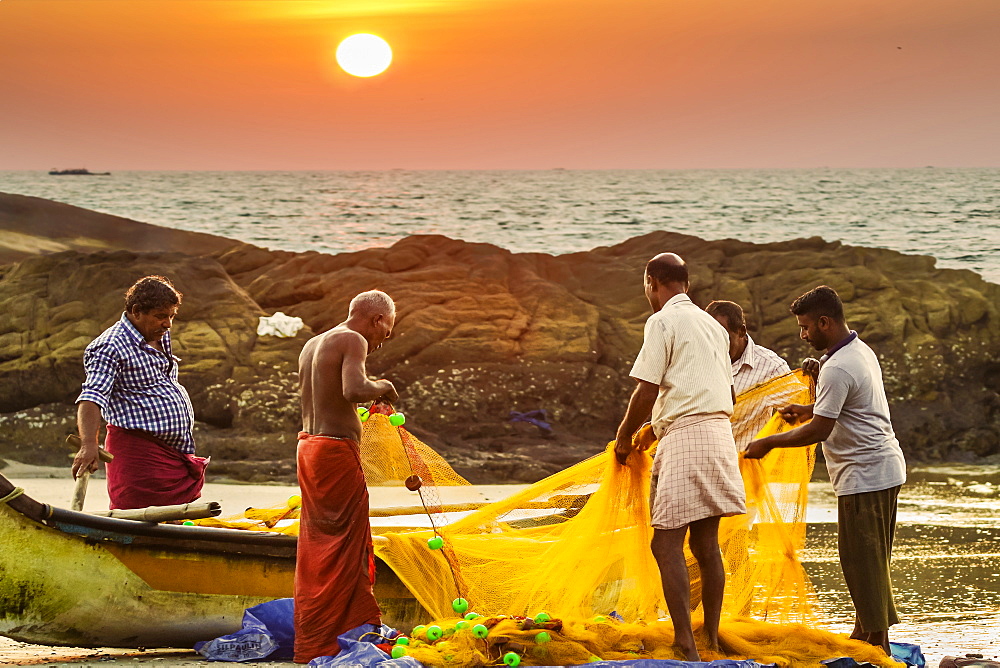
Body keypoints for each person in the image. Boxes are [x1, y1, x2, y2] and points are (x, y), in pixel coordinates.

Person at [745, 285, 905, 655]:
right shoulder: (857, 351)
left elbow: (820, 431)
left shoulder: (840, 366)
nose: (802, 335)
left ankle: (877, 646)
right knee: (867, 559)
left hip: (865, 474)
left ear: (824, 322)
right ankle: (864, 634)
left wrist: (767, 444)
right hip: (881, 469)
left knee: (861, 561)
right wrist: (808, 406)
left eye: (805, 327)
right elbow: (839, 409)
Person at [613, 253, 745, 661]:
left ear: (653, 282)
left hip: (685, 437)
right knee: (707, 544)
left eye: (646, 286)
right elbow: (730, 392)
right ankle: (712, 635)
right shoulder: (713, 326)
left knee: (665, 544)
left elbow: (647, 389)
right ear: (685, 282)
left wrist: (623, 436)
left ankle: (685, 641)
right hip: (720, 436)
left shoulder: (662, 321)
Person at [294, 289, 399, 664]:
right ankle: (337, 638)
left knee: (319, 546)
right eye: (388, 327)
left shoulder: (313, 343)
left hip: (309, 448)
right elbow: (352, 389)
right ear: (377, 319)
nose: (386, 337)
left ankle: (315, 637)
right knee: (345, 549)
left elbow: (332, 396)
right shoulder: (353, 338)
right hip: (335, 453)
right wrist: (382, 387)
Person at [72, 276, 207, 510]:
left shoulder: (156, 334)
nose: (168, 324)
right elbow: (92, 396)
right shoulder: (109, 346)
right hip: (138, 456)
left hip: (172, 455)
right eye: (161, 316)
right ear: (136, 312)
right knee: (142, 522)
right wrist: (88, 444)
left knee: (175, 525)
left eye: (171, 316)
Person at [705, 300, 790, 396]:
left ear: (741, 331)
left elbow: (798, 404)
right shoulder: (696, 359)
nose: (716, 344)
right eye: (710, 337)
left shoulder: (772, 367)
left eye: (724, 338)